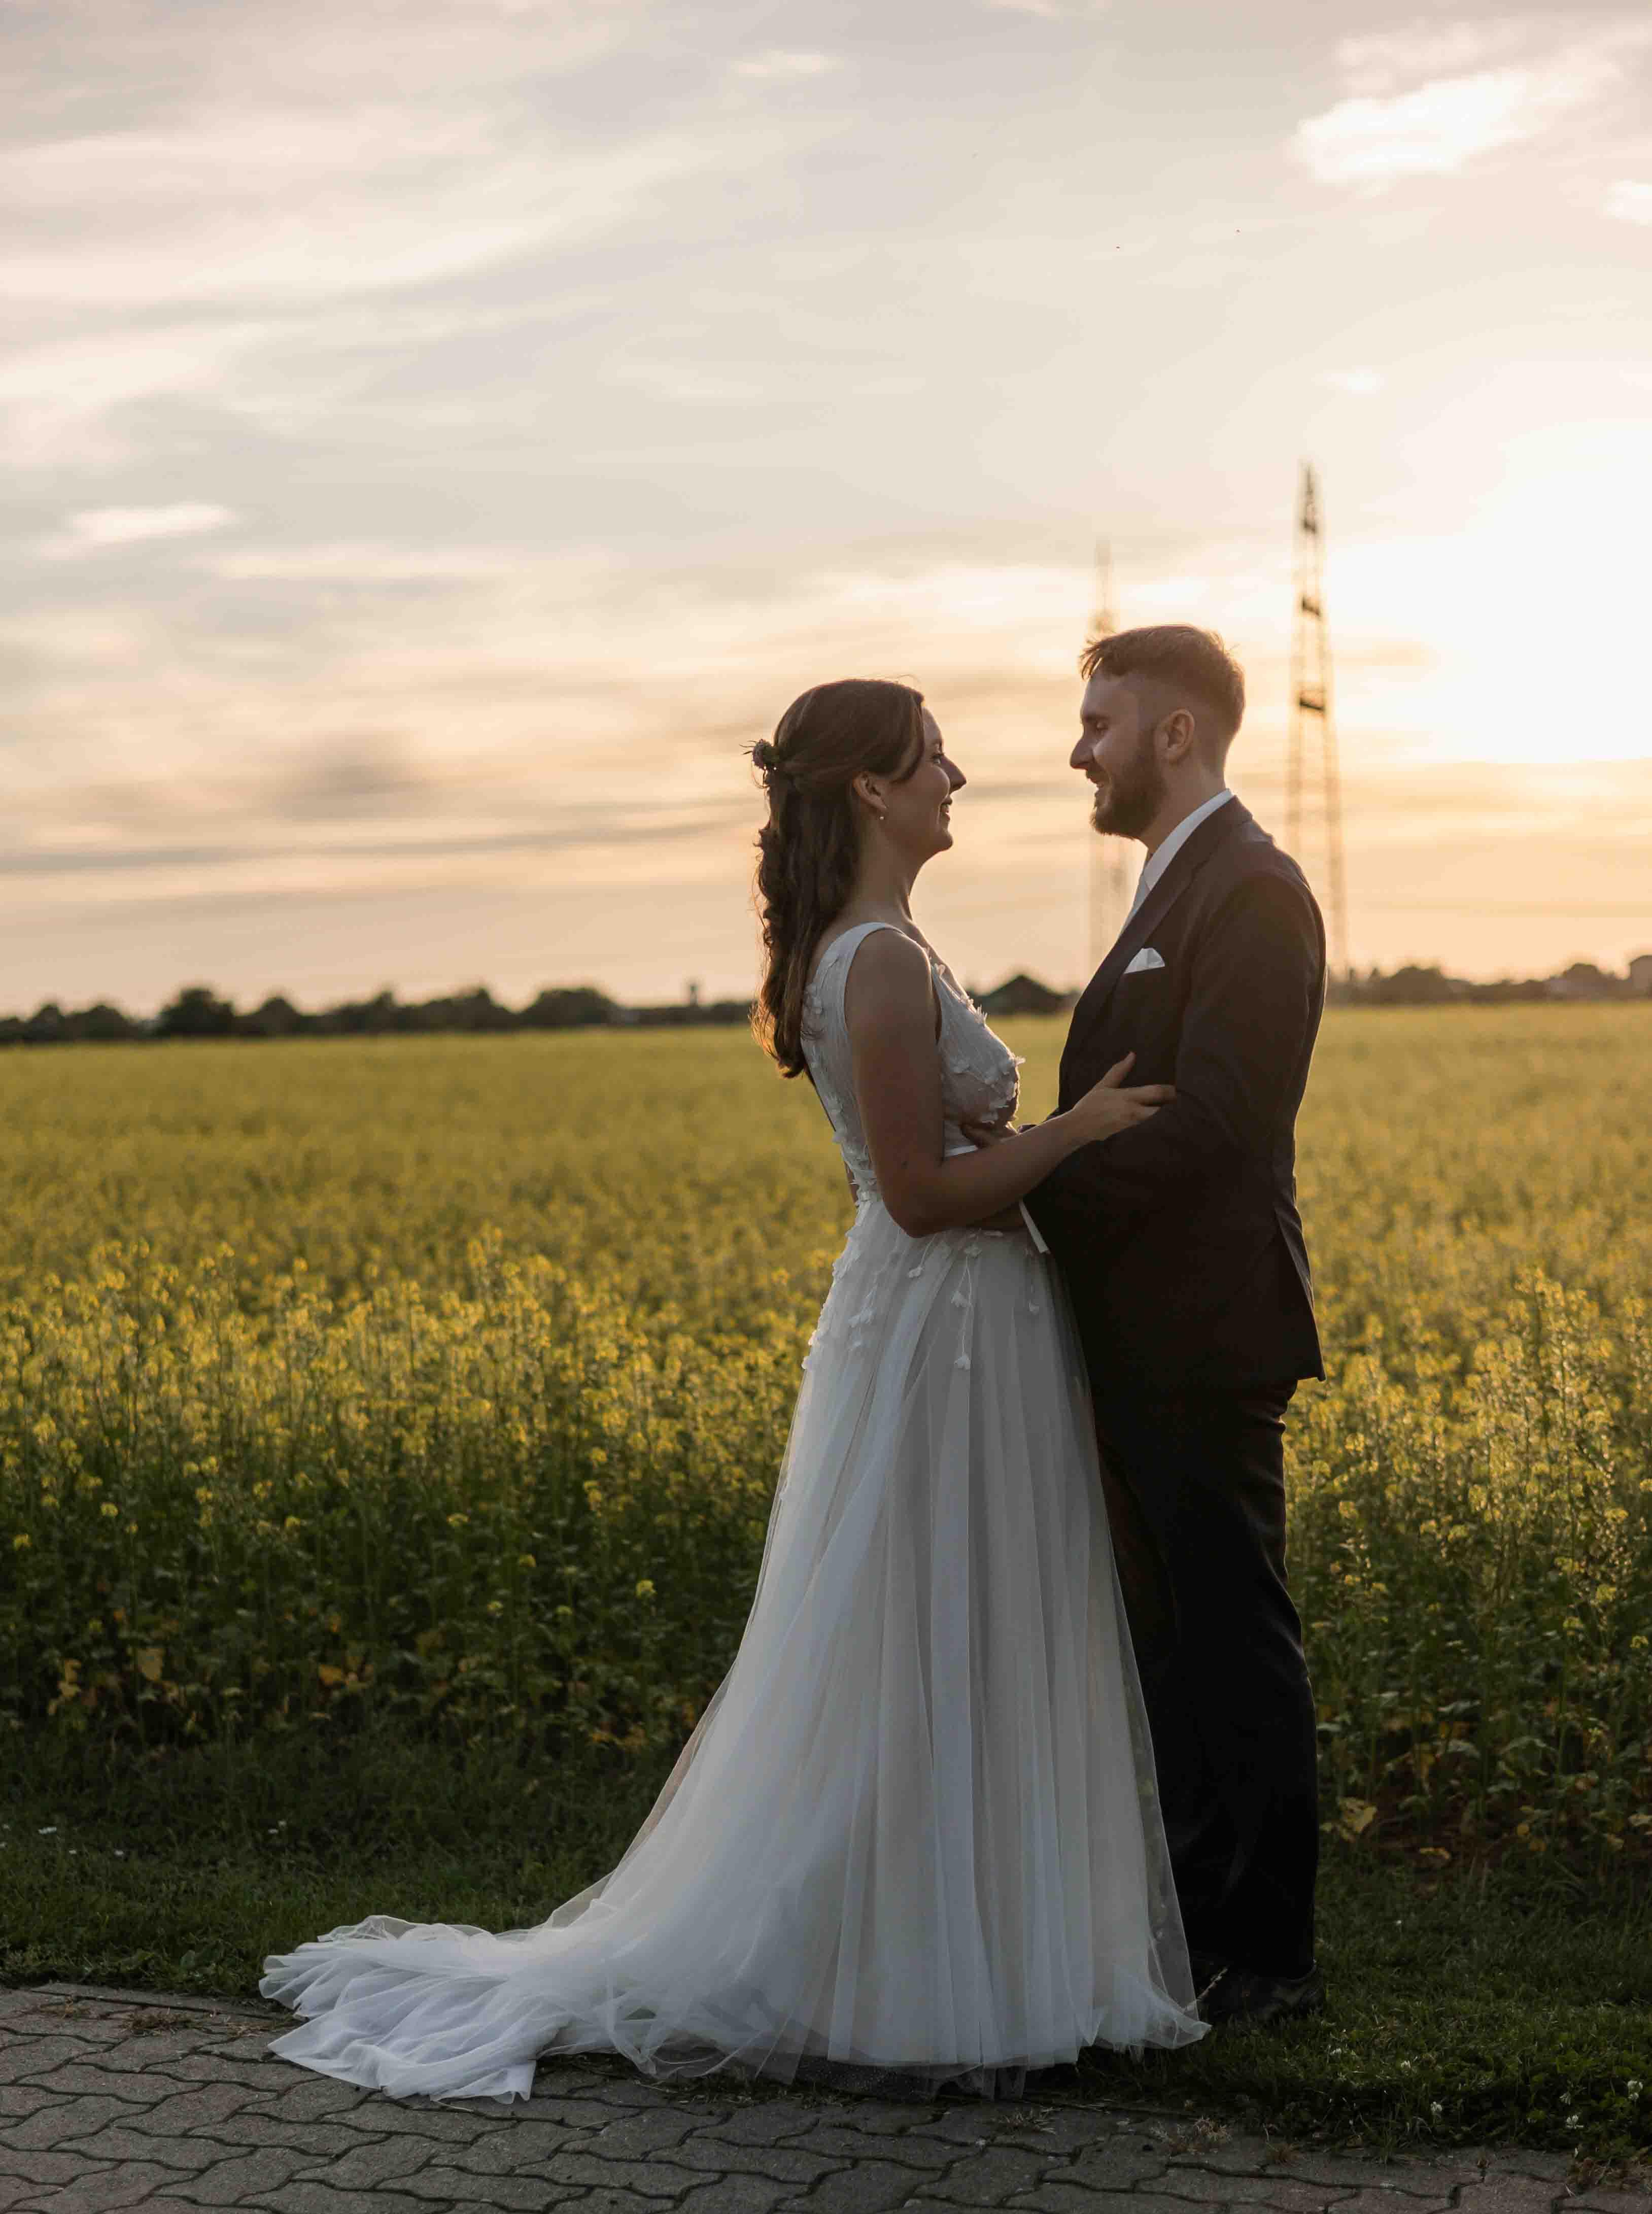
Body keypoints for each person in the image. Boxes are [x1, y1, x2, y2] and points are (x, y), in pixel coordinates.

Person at [260, 676, 1206, 2101]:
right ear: (871, 790)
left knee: (948, 1628)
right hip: (942, 1324)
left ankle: (955, 1957)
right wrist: (1076, 1132)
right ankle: (911, 1973)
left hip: (960, 1327)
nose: (956, 778)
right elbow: (919, 1194)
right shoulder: (875, 960)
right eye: (933, 758)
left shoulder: (883, 945)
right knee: (921, 1633)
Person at [1019, 626, 1326, 2027]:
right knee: (1172, 1646)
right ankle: (1197, 1929)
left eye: (1101, 723)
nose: (1080, 750)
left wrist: (1031, 1182)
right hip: (1140, 1329)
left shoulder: (1254, 889)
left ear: (1176, 732)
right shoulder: (1173, 881)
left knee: (1232, 1634)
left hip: (1206, 1328)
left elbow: (1221, 1123)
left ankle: (1268, 1951)